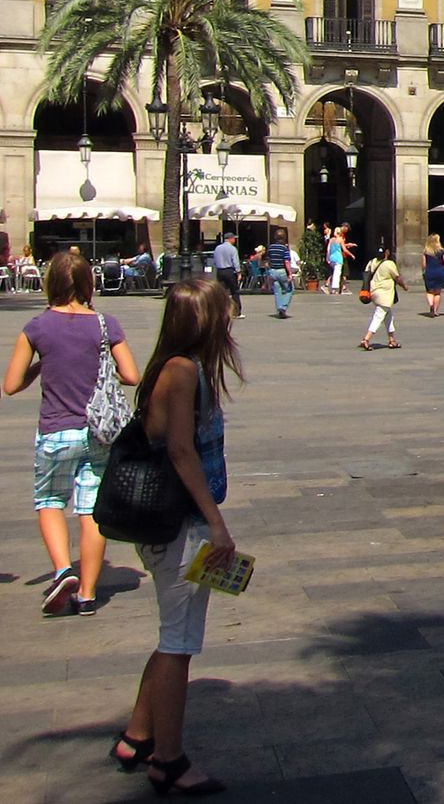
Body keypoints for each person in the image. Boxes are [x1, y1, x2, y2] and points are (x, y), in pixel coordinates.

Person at [113, 277, 239, 795]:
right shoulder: (184, 372)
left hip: (173, 523)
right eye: (225, 311)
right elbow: (182, 452)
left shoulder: (177, 367)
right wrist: (216, 522)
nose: (232, 318)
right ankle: (168, 759)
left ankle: (137, 735)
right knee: (178, 644)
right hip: (181, 524)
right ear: (208, 321)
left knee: (173, 635)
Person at [3, 251, 140, 618]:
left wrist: (40, 366)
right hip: (98, 433)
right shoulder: (105, 324)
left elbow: (11, 385)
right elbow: (131, 375)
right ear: (87, 283)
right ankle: (89, 594)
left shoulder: (37, 327)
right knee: (92, 511)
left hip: (56, 431)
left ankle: (64, 570)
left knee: (49, 501)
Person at [357, 240, 401, 350]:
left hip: (373, 293)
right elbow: (397, 277)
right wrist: (405, 286)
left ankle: (392, 340)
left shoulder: (372, 262)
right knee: (379, 315)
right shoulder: (389, 264)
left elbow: (366, 274)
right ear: (387, 252)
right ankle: (366, 339)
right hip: (384, 294)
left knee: (388, 315)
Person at [421, 233, 444, 318]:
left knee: (430, 291)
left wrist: (424, 271)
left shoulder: (426, 251)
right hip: (439, 272)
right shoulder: (441, 251)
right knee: (437, 293)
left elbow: (424, 264)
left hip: (429, 272)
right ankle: (435, 310)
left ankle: (431, 305)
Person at [210, 230, 242, 320]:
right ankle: (237, 312)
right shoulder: (232, 249)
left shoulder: (217, 248)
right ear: (230, 239)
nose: (234, 240)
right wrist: (239, 272)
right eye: (234, 239)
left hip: (220, 271)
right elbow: (236, 262)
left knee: (221, 292)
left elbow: (215, 261)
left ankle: (220, 311)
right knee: (234, 291)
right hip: (230, 271)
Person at [266, 230, 296, 320]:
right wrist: (290, 273)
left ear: (275, 237)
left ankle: (279, 307)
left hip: (272, 271)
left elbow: (268, 260)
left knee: (277, 290)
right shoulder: (284, 248)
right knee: (290, 289)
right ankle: (283, 307)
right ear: (284, 238)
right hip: (282, 271)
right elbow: (287, 261)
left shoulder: (271, 247)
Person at [326, 224, 347, 296]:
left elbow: (328, 249)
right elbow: (344, 249)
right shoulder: (340, 239)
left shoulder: (331, 240)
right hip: (338, 258)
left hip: (332, 258)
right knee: (337, 274)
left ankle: (335, 287)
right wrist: (351, 255)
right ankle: (334, 288)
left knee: (335, 273)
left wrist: (327, 258)